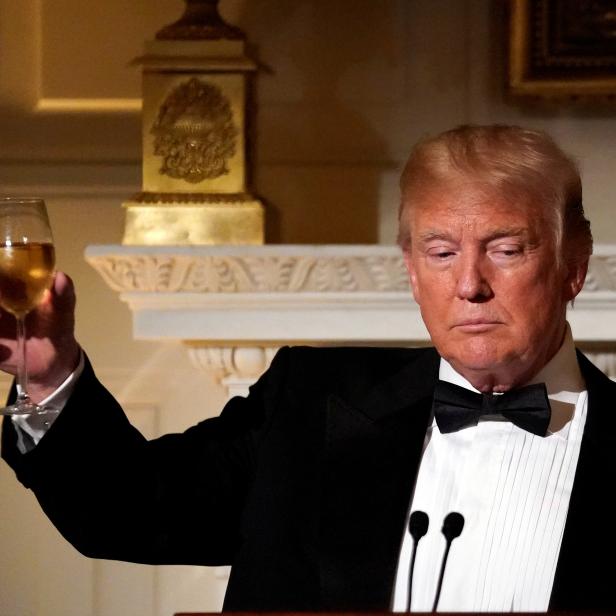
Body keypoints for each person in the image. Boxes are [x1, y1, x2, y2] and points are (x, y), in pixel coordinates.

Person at [1, 124, 614, 612]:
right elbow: (131, 511)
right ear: (410, 269)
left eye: (507, 250)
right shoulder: (309, 403)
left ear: (573, 265)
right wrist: (49, 378)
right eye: (441, 252)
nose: (469, 285)